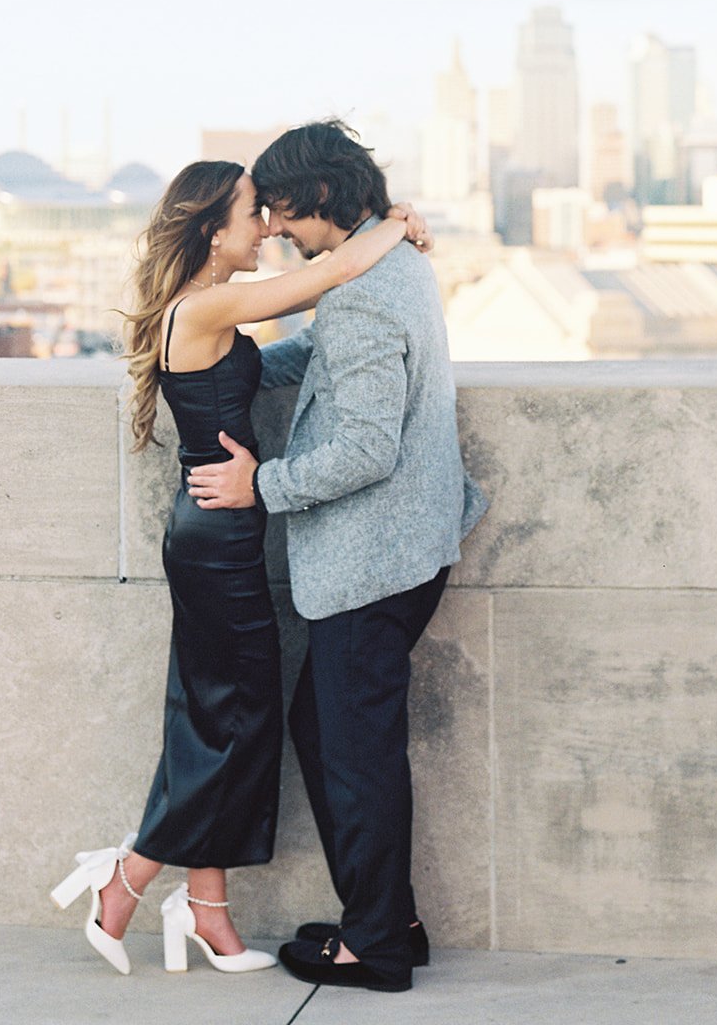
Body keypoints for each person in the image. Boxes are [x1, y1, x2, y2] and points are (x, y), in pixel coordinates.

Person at [49, 158, 430, 978]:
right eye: (252, 215)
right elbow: (331, 273)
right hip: (217, 540)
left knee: (222, 718)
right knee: (236, 724)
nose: (266, 227)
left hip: (217, 535)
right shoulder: (209, 301)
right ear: (213, 233)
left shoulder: (208, 312)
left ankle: (209, 910)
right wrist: (396, 225)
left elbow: (276, 358)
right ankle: (130, 876)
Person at [187, 121, 488, 994]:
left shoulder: (359, 288)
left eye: (280, 208)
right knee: (330, 735)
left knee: (353, 754)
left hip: (372, 560)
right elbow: (324, 359)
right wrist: (233, 365)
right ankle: (386, 917)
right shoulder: (391, 261)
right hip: (411, 544)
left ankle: (376, 948)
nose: (275, 226)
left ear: (318, 198)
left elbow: (364, 448)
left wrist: (261, 487)